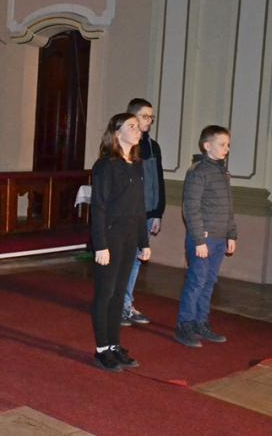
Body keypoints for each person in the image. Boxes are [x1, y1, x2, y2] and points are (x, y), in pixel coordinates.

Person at [90, 113, 150, 372]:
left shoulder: (136, 165)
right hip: (110, 236)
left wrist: (144, 242)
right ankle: (102, 349)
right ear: (117, 133)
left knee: (119, 293)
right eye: (131, 126)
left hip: (129, 237)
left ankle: (114, 344)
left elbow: (139, 207)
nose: (138, 130)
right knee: (105, 293)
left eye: (138, 126)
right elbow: (98, 207)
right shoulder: (106, 165)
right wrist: (100, 245)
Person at [174, 125, 237, 348]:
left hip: (219, 238)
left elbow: (228, 207)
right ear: (207, 146)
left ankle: (200, 323)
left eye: (228, 145)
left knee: (209, 282)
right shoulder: (198, 171)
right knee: (196, 281)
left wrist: (231, 234)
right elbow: (191, 208)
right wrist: (199, 239)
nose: (226, 149)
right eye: (222, 144)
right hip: (204, 238)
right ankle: (185, 325)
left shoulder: (222, 172)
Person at [121, 98, 165, 326]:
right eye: (145, 116)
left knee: (137, 260)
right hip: (130, 213)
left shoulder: (153, 146)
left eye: (151, 117)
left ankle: (126, 304)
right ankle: (119, 305)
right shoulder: (127, 145)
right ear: (133, 117)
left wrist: (158, 212)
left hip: (148, 212)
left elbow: (158, 180)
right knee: (125, 260)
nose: (149, 120)